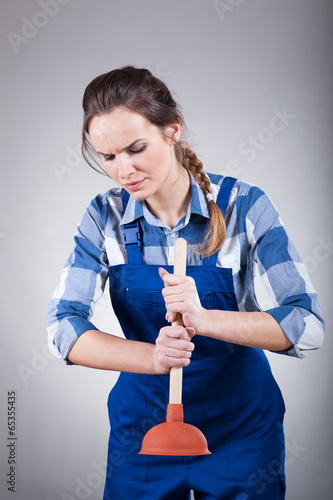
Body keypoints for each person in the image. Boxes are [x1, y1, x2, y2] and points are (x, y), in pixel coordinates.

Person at [46, 66, 325, 500]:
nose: (124, 170)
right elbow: (62, 329)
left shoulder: (244, 205)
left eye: (136, 148)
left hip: (242, 431)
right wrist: (153, 357)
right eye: (108, 156)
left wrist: (206, 319)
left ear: (172, 131)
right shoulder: (105, 217)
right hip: (144, 431)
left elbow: (307, 327)